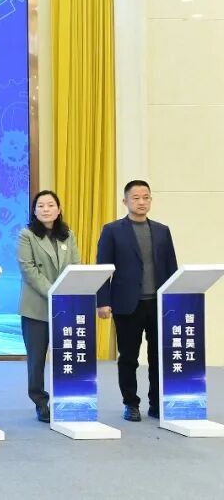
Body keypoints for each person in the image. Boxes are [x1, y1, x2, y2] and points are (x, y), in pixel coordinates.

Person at [96, 179, 178, 421]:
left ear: (151, 200)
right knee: (129, 357)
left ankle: (156, 404)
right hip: (126, 304)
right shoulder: (112, 230)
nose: (142, 202)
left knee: (158, 357)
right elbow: (103, 268)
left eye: (146, 197)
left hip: (158, 304)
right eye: (136, 198)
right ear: (125, 201)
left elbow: (171, 268)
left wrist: (174, 300)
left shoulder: (162, 230)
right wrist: (102, 301)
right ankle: (130, 403)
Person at [16, 189, 80, 423]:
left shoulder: (68, 235)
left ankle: (65, 398)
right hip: (36, 307)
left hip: (65, 306)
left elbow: (75, 265)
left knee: (66, 355)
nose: (46, 209)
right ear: (34, 211)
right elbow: (29, 269)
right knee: (37, 359)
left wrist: (66, 291)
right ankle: (40, 402)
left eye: (50, 205)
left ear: (59, 209)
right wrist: (53, 292)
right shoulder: (26, 235)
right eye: (40, 205)